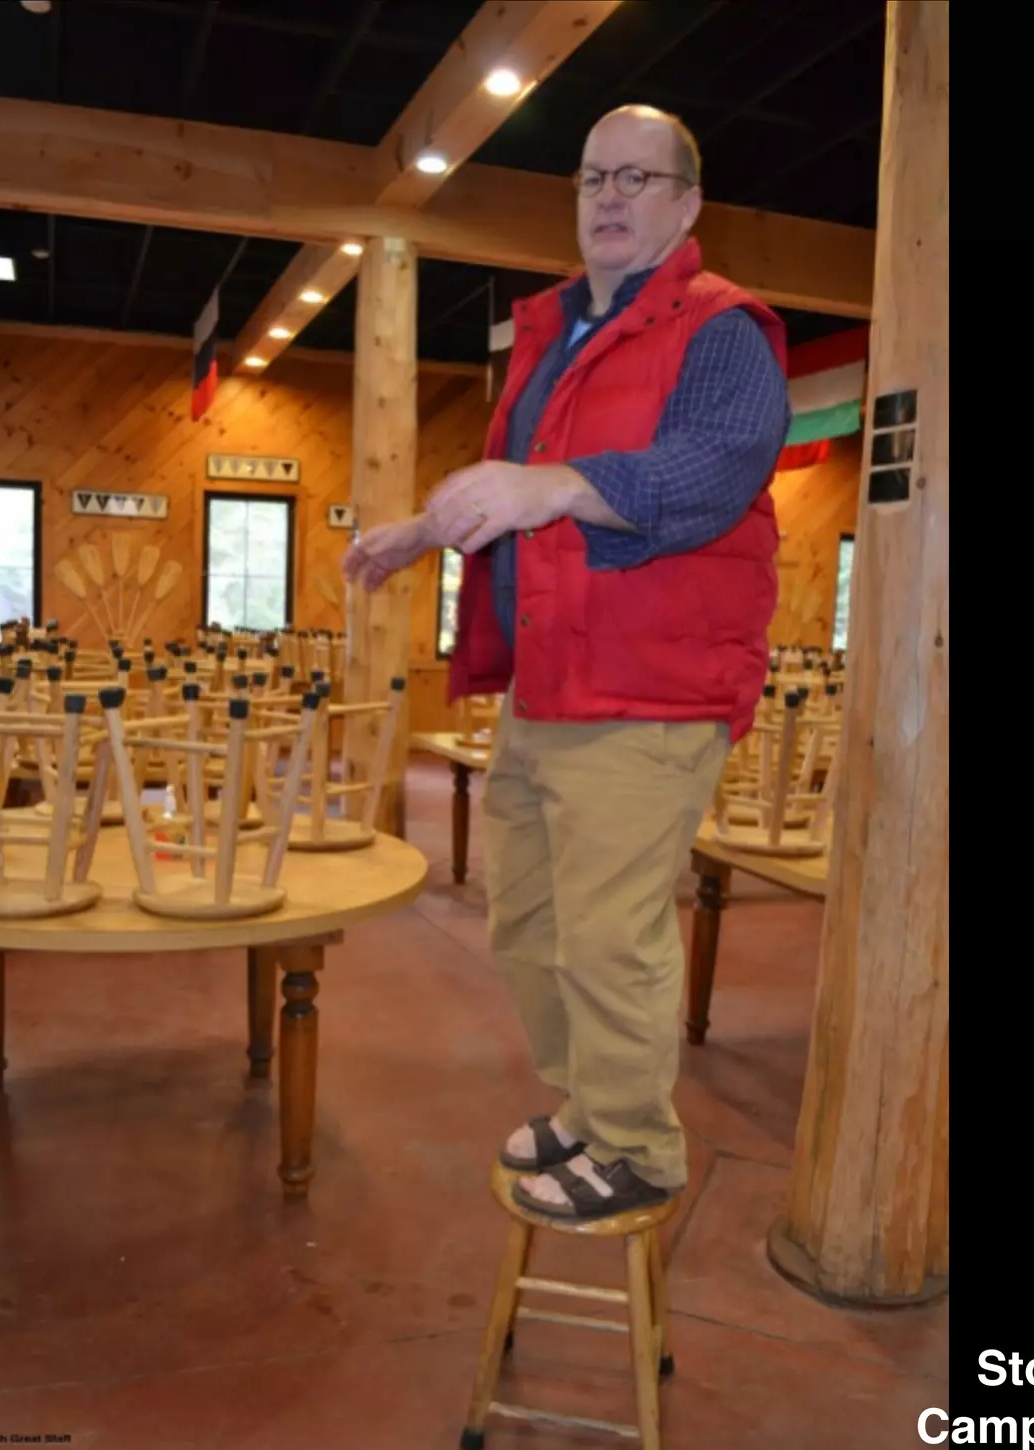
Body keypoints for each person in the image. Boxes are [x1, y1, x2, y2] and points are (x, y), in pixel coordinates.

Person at [343, 105, 790, 1221]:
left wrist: (551, 488)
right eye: (593, 177)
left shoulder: (720, 329)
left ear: (685, 204)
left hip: (654, 687)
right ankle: (592, 1106)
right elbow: (521, 480)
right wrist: (424, 528)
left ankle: (639, 1147)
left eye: (637, 178)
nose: (608, 197)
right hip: (549, 678)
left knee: (607, 932)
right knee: (530, 922)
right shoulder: (558, 333)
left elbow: (710, 471)